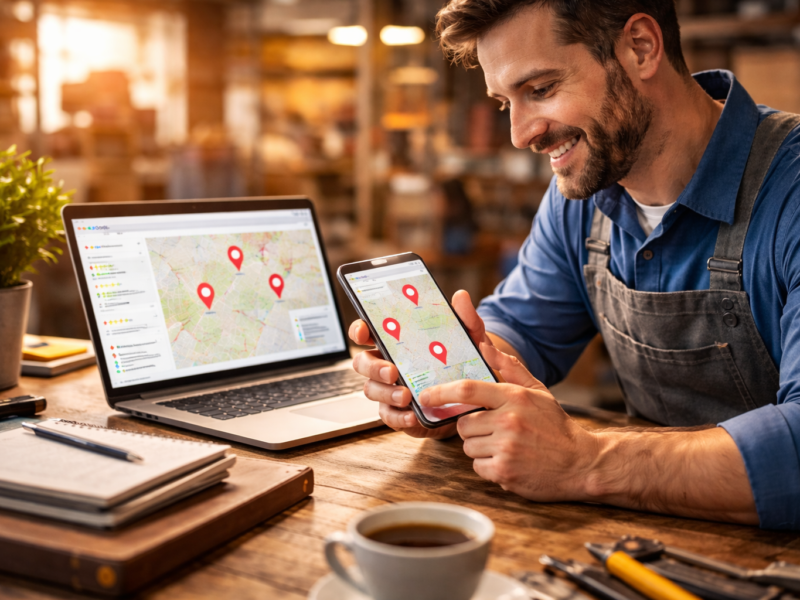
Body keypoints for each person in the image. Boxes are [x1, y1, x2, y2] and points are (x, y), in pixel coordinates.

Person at [349, 0, 800, 530]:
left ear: (641, 48)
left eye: (540, 89)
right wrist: (459, 382)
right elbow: (522, 326)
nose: (520, 134)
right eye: (504, 103)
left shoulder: (789, 190)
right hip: (647, 541)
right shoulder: (583, 191)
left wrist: (584, 462)